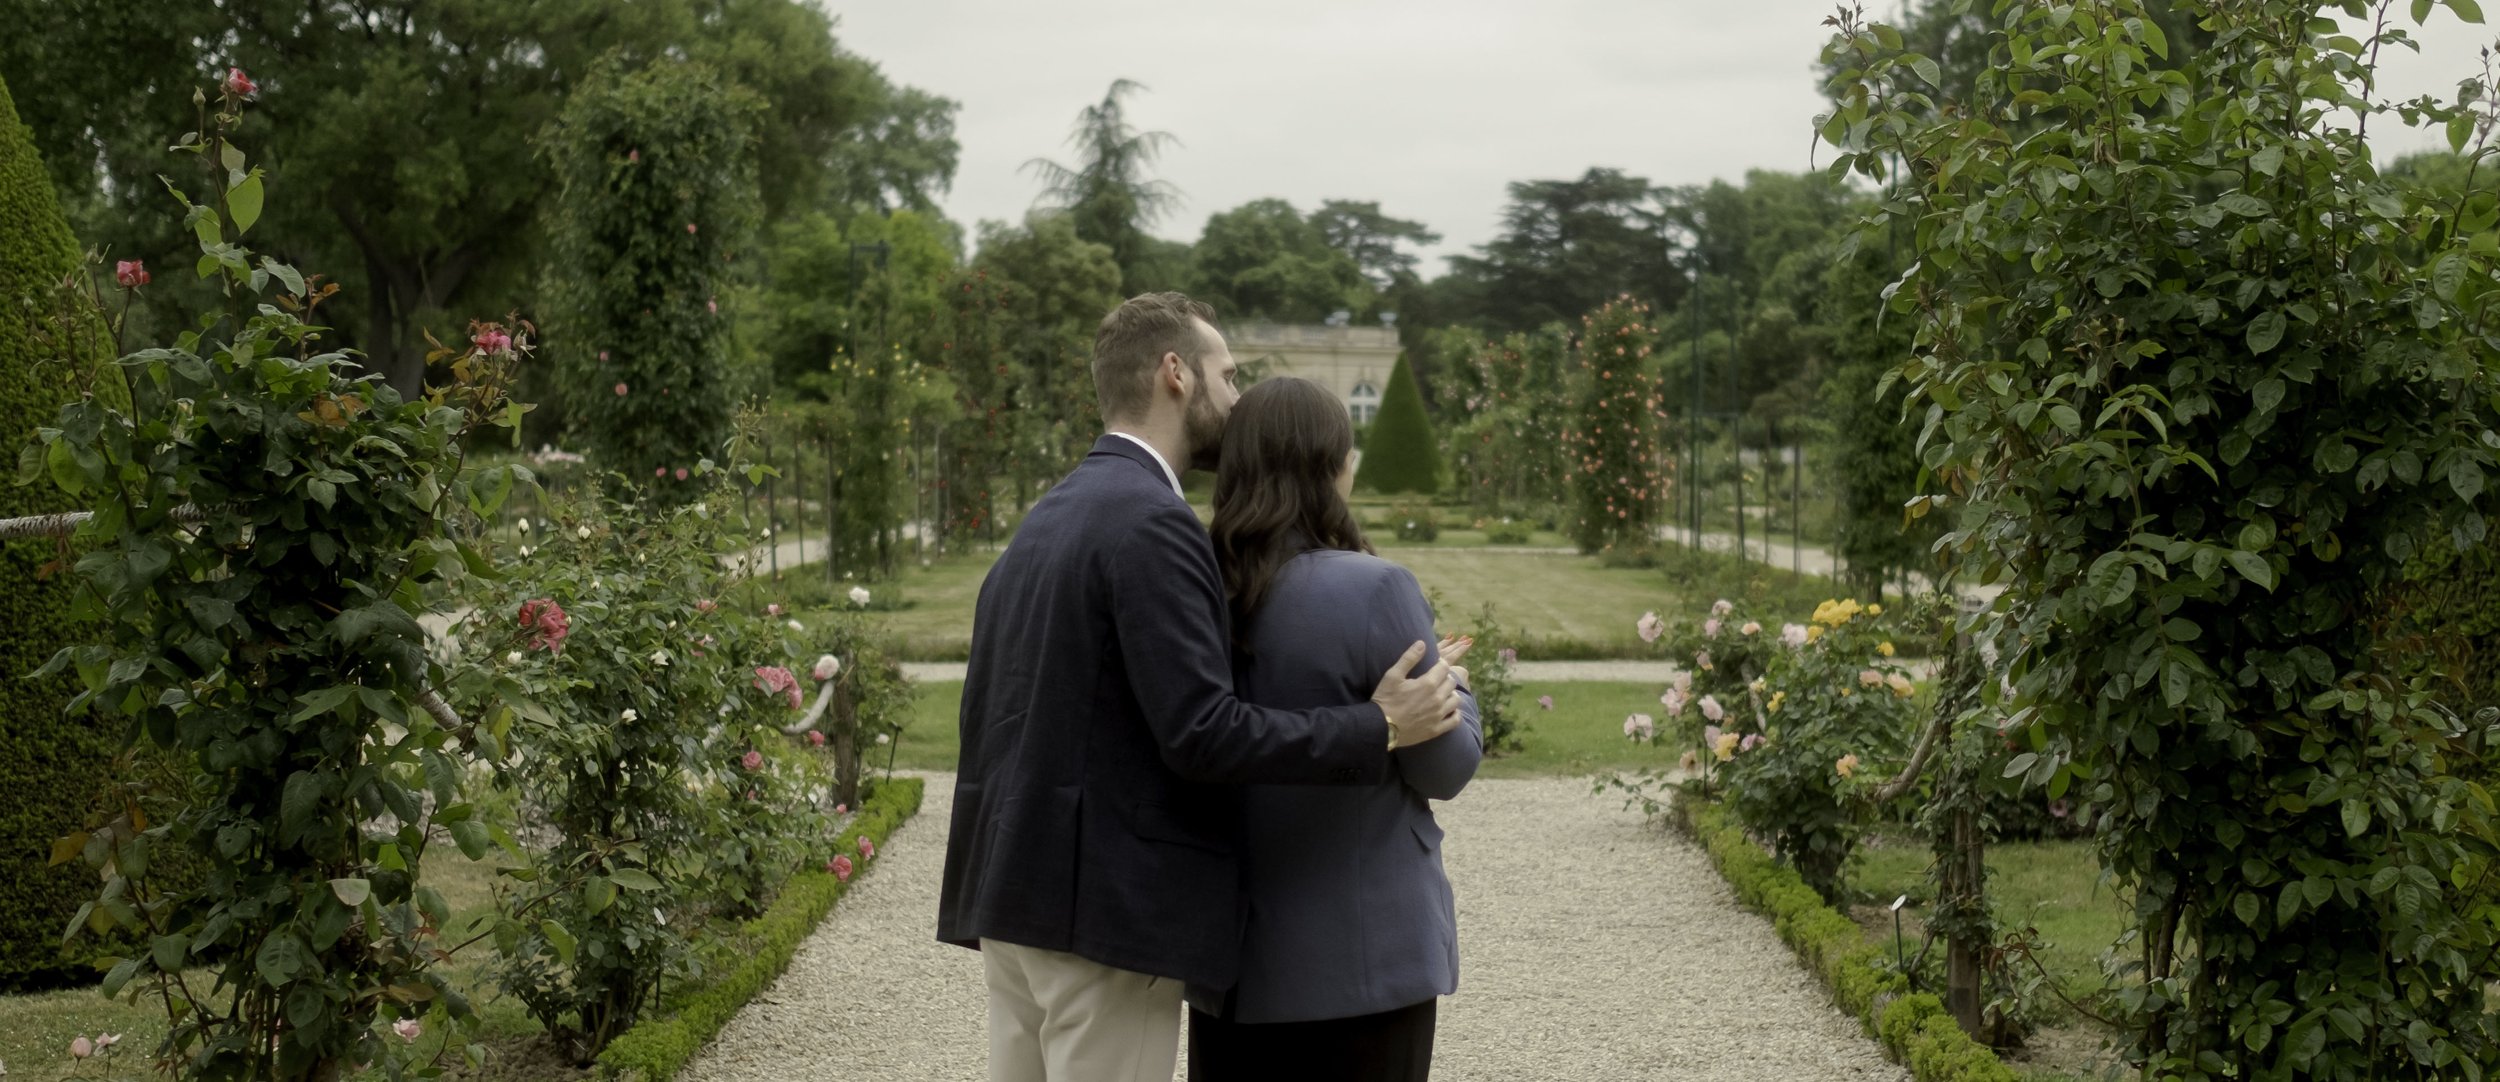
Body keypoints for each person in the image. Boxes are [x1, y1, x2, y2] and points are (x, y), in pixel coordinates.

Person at [937, 293, 1467, 1082]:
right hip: (1098, 915)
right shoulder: (1152, 521)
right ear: (1175, 374)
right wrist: (1379, 725)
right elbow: (1201, 732)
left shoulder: (1050, 514)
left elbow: (993, 712)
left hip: (1012, 892)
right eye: (1227, 376)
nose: (1236, 398)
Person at [1187, 376, 1483, 1082]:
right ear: (1333, 465)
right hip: (1366, 960)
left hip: (1231, 971)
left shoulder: (1193, 585)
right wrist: (1458, 689)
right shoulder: (1373, 587)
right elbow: (1445, 767)